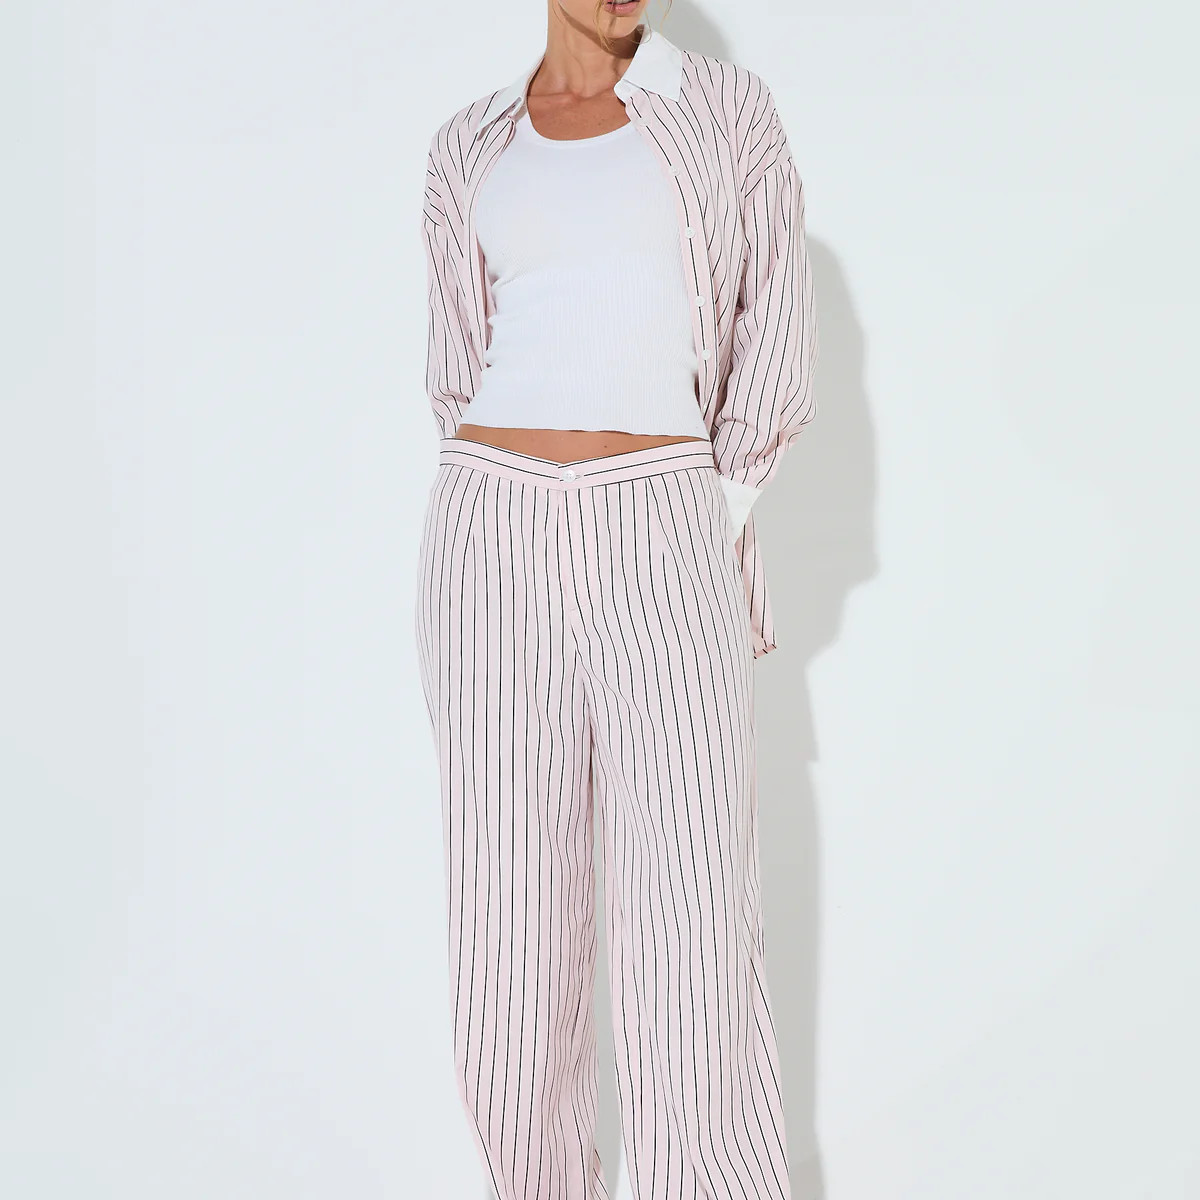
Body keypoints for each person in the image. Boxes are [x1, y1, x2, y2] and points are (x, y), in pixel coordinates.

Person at [415, 2, 818, 1196]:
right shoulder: (468, 146)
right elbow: (454, 365)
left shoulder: (724, 114)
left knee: (694, 915)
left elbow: (777, 331)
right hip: (491, 530)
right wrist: (513, 502)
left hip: (668, 514)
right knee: (510, 928)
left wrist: (703, 514)